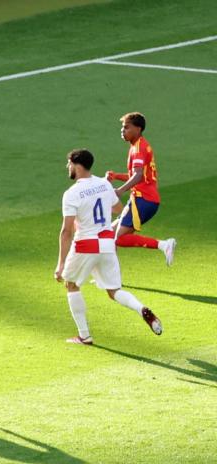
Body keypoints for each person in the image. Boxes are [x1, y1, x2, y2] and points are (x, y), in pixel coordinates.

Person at [55, 149, 162, 344]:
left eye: (69, 164)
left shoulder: (72, 193)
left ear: (77, 166)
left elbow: (66, 232)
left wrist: (60, 264)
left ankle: (84, 335)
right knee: (114, 291)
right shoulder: (104, 185)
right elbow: (120, 210)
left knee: (71, 285)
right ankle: (141, 309)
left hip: (85, 245)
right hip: (107, 245)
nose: (68, 167)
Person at [104, 112, 175, 265]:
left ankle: (164, 245)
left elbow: (137, 176)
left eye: (126, 127)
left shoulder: (138, 148)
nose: (123, 131)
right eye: (122, 128)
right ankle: (112, 277)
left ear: (138, 128)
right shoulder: (138, 146)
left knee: (119, 238)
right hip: (142, 199)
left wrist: (120, 190)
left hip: (143, 199)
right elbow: (136, 175)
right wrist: (117, 176)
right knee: (109, 233)